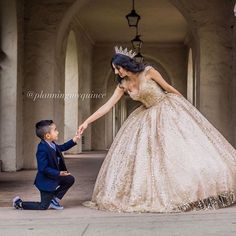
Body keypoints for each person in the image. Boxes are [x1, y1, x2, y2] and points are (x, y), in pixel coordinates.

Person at [78, 46, 236, 213]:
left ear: (125, 65)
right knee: (148, 157)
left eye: (118, 68)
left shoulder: (149, 72)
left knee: (178, 151)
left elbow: (167, 88)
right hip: (145, 117)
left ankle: (195, 189)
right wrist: (87, 122)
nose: (116, 73)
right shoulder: (123, 84)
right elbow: (108, 106)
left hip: (166, 110)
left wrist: (186, 106)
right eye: (114, 70)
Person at [13, 120, 80, 210]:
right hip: (46, 182)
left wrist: (74, 140)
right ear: (47, 135)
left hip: (53, 177)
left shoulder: (52, 144)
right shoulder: (42, 149)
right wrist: (58, 173)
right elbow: (43, 169)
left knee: (69, 179)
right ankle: (19, 203)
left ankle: (54, 199)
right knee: (43, 206)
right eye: (55, 130)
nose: (58, 132)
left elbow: (62, 147)